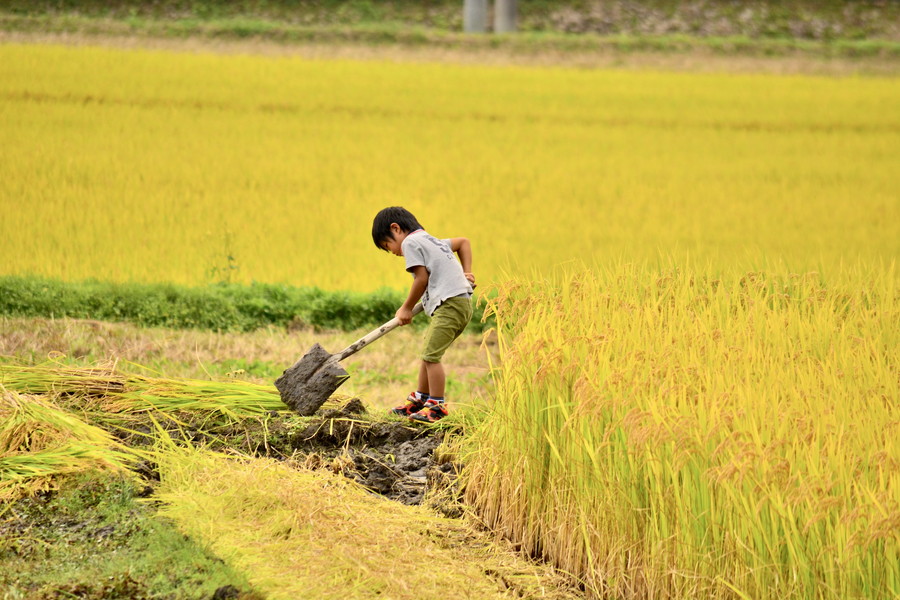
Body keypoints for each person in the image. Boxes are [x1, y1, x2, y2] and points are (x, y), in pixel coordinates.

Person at [372, 206, 475, 423]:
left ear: (395, 228)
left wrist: (406, 308)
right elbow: (463, 242)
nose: (393, 252)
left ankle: (436, 406)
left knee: (431, 356)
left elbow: (421, 279)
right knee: (428, 352)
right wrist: (467, 272)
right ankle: (421, 399)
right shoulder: (433, 241)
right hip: (459, 304)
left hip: (450, 305)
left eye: (387, 245)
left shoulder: (410, 242)